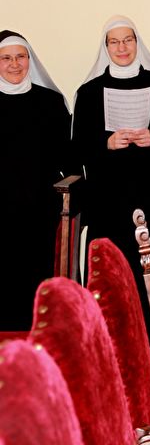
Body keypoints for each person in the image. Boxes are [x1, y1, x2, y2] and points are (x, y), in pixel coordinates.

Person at [71, 15, 150, 268]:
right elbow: (76, 149)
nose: (122, 48)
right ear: (106, 47)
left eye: (127, 40)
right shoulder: (89, 92)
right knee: (110, 272)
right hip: (107, 199)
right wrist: (106, 143)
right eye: (114, 42)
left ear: (137, 42)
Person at [0, 30, 71, 330]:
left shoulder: (50, 102)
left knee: (39, 289)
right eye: (6, 58)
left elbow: (69, 161)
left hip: (41, 214)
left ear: (30, 60)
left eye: (21, 56)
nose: (15, 64)